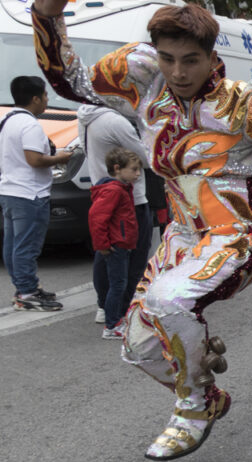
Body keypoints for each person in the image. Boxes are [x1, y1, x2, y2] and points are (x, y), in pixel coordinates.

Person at [32, 0, 252, 461]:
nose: (178, 71)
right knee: (139, 347)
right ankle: (207, 394)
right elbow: (73, 81)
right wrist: (47, 17)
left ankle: (191, 410)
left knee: (169, 303)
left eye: (190, 60)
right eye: (168, 58)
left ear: (212, 57)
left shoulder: (250, 106)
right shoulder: (145, 83)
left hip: (236, 235)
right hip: (180, 238)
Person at [0, 75, 74, 310]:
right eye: (44, 95)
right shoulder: (30, 124)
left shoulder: (8, 119)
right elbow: (35, 159)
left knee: (13, 244)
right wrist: (60, 158)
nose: (46, 100)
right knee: (26, 246)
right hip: (29, 194)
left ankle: (25, 286)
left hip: (10, 191)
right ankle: (27, 293)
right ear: (34, 98)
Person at [79, 104, 153, 322]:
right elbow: (148, 160)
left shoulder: (85, 118)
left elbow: (86, 151)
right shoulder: (117, 122)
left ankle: (106, 306)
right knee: (132, 258)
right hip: (132, 199)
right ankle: (120, 312)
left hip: (102, 186)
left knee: (106, 260)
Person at [88, 148, 141, 338]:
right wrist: (102, 244)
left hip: (120, 243)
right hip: (116, 245)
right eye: (134, 169)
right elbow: (97, 217)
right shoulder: (114, 191)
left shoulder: (121, 188)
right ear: (117, 168)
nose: (137, 174)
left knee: (117, 283)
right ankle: (111, 325)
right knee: (118, 284)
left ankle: (114, 319)